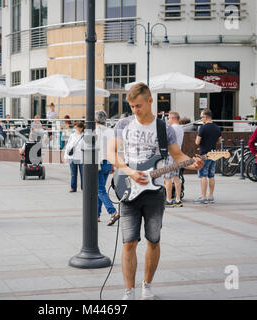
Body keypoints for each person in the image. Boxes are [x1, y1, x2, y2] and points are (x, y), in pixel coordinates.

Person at [107, 83, 203, 300]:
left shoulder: (164, 128)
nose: (135, 110)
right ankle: (128, 291)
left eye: (138, 105)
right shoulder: (123, 124)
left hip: (154, 191)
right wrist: (129, 171)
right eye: (131, 106)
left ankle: (147, 286)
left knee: (153, 240)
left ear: (150, 101)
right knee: (129, 241)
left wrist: (192, 164)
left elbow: (177, 156)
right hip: (127, 188)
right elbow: (111, 153)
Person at [94, 110, 118, 225]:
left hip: (97, 163)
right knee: (101, 189)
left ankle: (113, 212)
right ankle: (97, 215)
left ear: (95, 120)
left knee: (99, 190)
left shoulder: (93, 131)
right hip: (108, 162)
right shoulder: (111, 131)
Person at [193, 109, 221, 204]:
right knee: (211, 175)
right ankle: (210, 196)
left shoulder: (203, 128)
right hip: (213, 154)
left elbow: (197, 142)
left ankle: (203, 196)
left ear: (205, 117)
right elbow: (219, 141)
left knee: (203, 175)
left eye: (201, 117)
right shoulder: (217, 127)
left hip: (204, 154)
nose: (201, 119)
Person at [164, 112, 185, 208]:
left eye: (168, 118)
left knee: (167, 178)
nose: (168, 120)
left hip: (170, 154)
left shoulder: (172, 128)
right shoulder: (181, 128)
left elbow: (166, 140)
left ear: (172, 118)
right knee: (176, 177)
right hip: (178, 154)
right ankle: (177, 199)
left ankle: (168, 200)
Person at [64, 121, 85, 192]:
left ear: (81, 128)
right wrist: (66, 157)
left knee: (83, 174)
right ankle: (73, 187)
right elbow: (68, 146)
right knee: (73, 174)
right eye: (75, 128)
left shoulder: (84, 136)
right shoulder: (72, 135)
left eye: (77, 128)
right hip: (72, 157)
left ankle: (83, 188)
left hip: (81, 157)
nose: (76, 129)